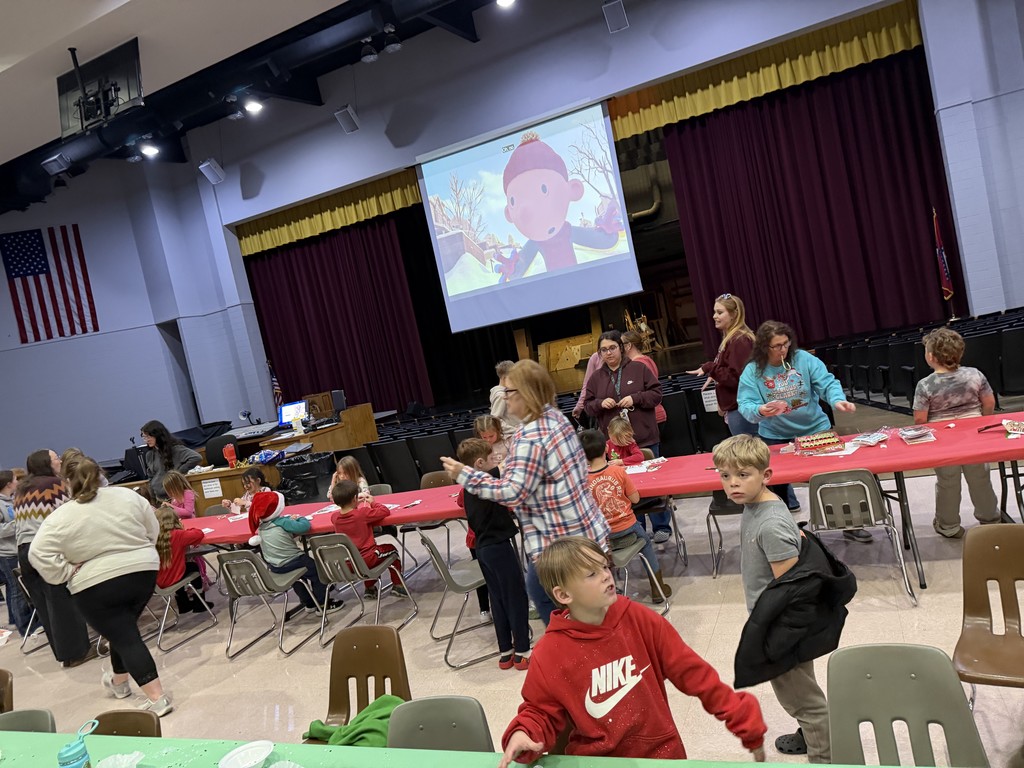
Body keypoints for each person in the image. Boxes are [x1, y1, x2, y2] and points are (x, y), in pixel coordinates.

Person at [498, 536, 766, 767]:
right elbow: (539, 711)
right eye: (591, 573)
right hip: (596, 762)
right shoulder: (549, 652)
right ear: (564, 594)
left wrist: (738, 714)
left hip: (661, 755)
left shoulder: (639, 619)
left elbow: (694, 674)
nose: (606, 575)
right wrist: (524, 732)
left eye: (604, 566)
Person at [714, 435, 856, 763]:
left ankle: (825, 757)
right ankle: (810, 735)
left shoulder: (771, 525)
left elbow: (795, 591)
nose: (732, 484)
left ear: (766, 476)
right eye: (725, 476)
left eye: (742, 475)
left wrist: (779, 639)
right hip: (776, 619)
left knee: (803, 700)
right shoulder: (758, 504)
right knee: (801, 687)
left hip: (784, 626)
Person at [440, 360, 610, 626]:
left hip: (560, 545)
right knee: (574, 604)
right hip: (581, 533)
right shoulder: (555, 417)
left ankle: (582, 655)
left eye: (508, 392)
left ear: (525, 394)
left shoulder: (530, 436)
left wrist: (465, 474)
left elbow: (512, 492)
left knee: (568, 610)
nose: (504, 399)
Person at [29, 454, 173, 715]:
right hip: (142, 574)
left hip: (95, 584)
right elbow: (153, 527)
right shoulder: (128, 496)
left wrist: (65, 572)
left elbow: (37, 554)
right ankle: (119, 683)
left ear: (66, 482)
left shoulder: (60, 516)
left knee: (126, 636)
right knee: (122, 630)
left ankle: (157, 698)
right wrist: (141, 552)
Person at [735, 321, 867, 542]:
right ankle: (782, 531)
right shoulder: (753, 371)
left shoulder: (803, 359)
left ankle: (850, 524)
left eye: (785, 344)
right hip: (774, 435)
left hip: (815, 429)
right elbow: (745, 404)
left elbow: (826, 383)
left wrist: (837, 400)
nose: (782, 350)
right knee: (774, 487)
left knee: (834, 477)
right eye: (776, 346)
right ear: (763, 347)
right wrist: (760, 410)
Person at [913, 328, 1001, 538]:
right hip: (973, 434)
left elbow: (920, 419)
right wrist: (981, 422)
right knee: (980, 477)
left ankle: (948, 525)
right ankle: (990, 519)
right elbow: (989, 402)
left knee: (947, 481)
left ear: (931, 357)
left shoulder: (925, 385)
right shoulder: (975, 374)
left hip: (943, 440)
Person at [584, 330, 668, 542]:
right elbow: (588, 407)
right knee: (623, 486)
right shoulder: (596, 378)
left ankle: (662, 526)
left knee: (653, 483)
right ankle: (635, 526)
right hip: (614, 444)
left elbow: (657, 394)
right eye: (603, 350)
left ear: (621, 348)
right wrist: (599, 403)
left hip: (644, 437)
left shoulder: (639, 369)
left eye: (612, 348)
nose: (608, 353)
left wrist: (636, 398)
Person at [456, 438, 531, 669]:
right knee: (515, 596)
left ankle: (505, 651)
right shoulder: (487, 480)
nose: (495, 460)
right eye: (490, 458)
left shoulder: (468, 485)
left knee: (497, 598)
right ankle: (522, 651)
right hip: (498, 547)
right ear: (479, 463)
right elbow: (508, 473)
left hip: (482, 549)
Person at [14, 449, 93, 666]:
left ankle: (63, 653)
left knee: (44, 605)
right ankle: (76, 654)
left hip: (24, 552)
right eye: (55, 458)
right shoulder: (54, 485)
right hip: (46, 548)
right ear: (46, 464)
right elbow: (68, 517)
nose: (59, 461)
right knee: (62, 602)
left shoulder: (22, 489)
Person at [579, 430, 671, 603]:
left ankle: (611, 589)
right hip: (628, 528)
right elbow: (635, 498)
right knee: (647, 546)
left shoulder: (583, 480)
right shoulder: (617, 472)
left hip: (603, 536)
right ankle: (657, 588)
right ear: (606, 447)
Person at [249, 491, 342, 612]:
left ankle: (308, 603)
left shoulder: (261, 527)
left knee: (297, 579)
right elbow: (304, 527)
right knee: (319, 571)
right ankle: (323, 603)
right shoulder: (282, 522)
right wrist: (300, 518)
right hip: (293, 560)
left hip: (276, 566)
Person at [687, 293, 757, 436]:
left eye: (719, 312)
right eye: (714, 312)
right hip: (737, 409)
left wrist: (710, 367)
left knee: (749, 455)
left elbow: (736, 379)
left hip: (742, 411)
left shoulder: (740, 341)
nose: (714, 316)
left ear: (734, 315)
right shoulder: (732, 339)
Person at [330, 480, 408, 600]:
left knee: (364, 558)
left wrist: (354, 504)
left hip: (348, 564)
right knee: (392, 550)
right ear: (354, 498)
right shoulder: (362, 514)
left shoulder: (334, 518)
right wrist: (373, 503)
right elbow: (384, 511)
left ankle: (370, 589)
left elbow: (347, 515)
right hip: (368, 560)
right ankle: (398, 585)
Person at [154, 503, 213, 614]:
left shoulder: (153, 537)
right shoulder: (178, 534)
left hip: (157, 580)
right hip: (174, 577)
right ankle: (199, 603)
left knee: (177, 569)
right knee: (193, 567)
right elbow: (198, 534)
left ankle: (183, 604)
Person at [0, 470, 31, 636]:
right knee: (16, 590)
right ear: (8, 484)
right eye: (14, 480)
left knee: (20, 588)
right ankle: (24, 626)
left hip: (17, 548)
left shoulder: (10, 501)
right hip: (7, 553)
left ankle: (21, 620)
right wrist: (19, 523)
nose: (17, 482)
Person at [140, 420, 201, 499]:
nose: (146, 440)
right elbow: (151, 478)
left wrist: (177, 474)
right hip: (158, 497)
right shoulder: (149, 455)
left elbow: (196, 457)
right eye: (144, 437)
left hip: (173, 497)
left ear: (158, 435)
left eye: (149, 437)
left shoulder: (176, 449)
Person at [621, 330, 667, 428]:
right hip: (655, 414)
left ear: (628, 346)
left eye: (621, 345)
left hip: (649, 417)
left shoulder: (637, 365)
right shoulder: (647, 360)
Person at [490, 360, 523, 439]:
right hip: (513, 436)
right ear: (505, 377)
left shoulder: (506, 391)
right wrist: (515, 430)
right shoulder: (500, 396)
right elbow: (495, 420)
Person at [571, 350, 602, 422]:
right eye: (603, 349)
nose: (608, 352)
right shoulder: (596, 358)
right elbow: (587, 385)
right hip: (601, 409)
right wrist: (580, 405)